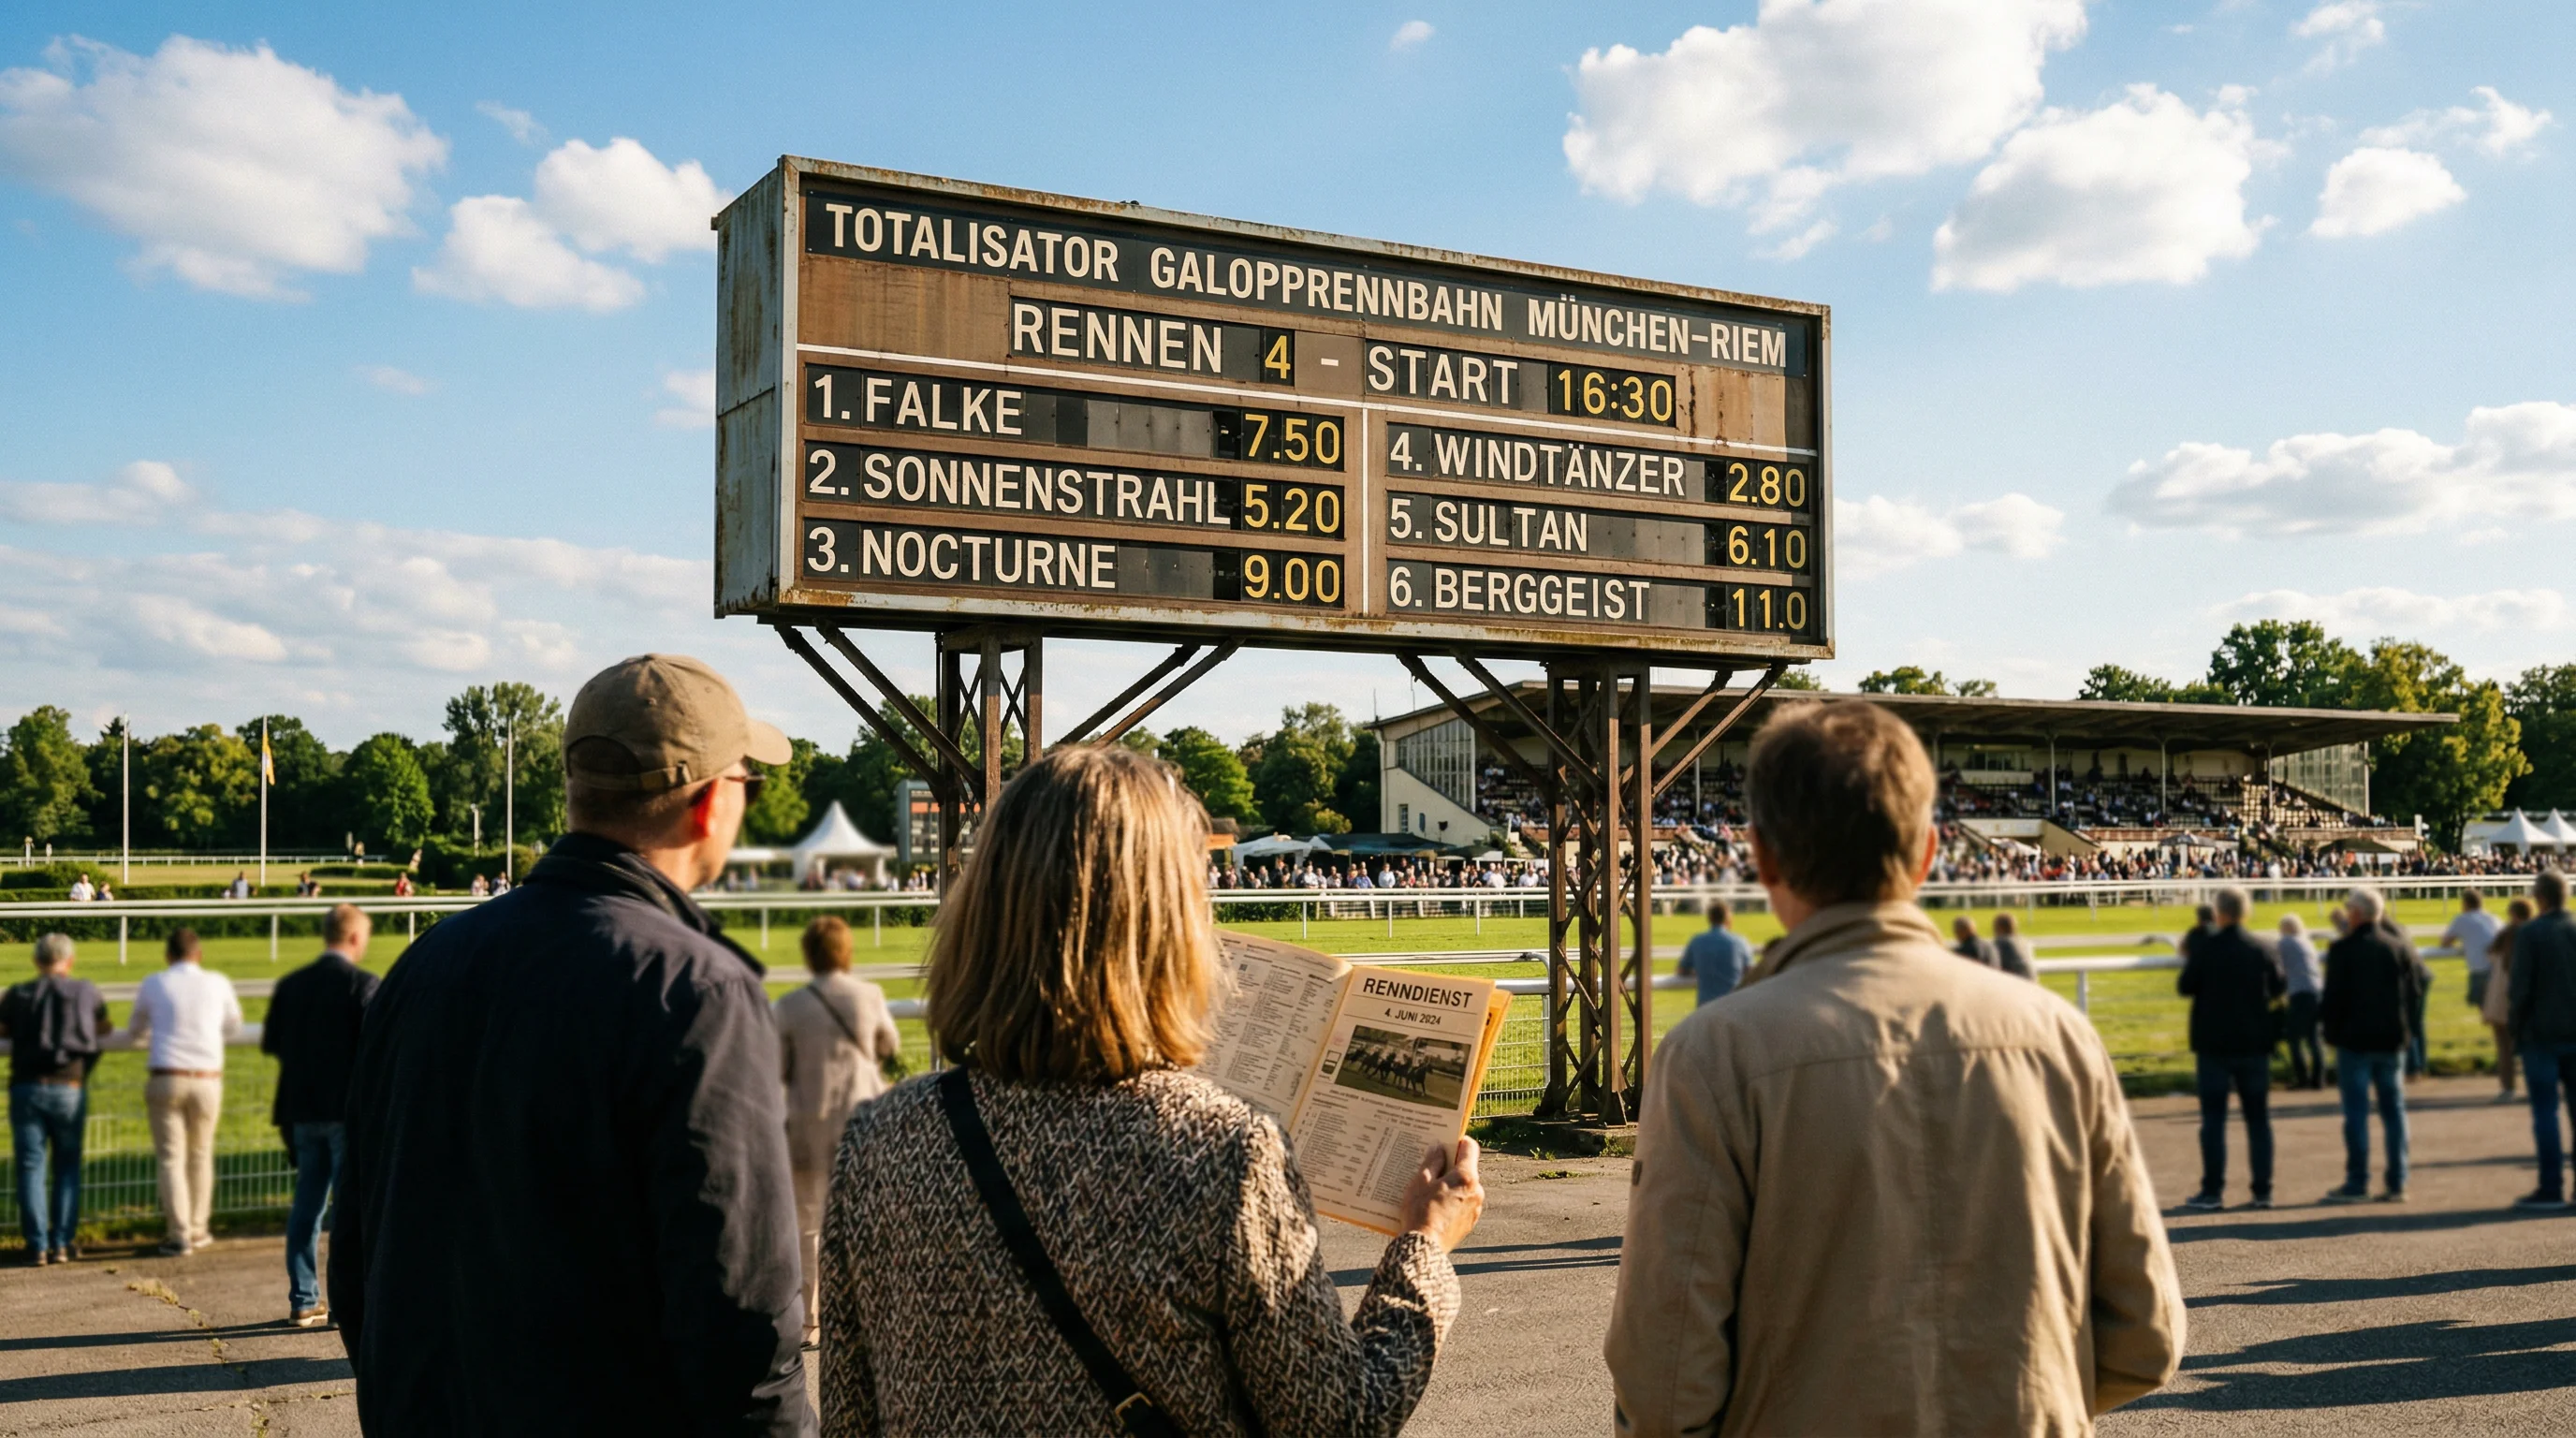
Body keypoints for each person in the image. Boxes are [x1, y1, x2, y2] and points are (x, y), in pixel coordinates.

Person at [820, 745, 1485, 1435]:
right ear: (1167, 926)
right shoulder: (1224, 1152)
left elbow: (848, 1418)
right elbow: (1337, 1419)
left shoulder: (877, 1139)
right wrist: (1425, 1248)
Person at [1604, 701, 2182, 1434]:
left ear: (1764, 856)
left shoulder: (1713, 1054)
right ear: (1928, 854)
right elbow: (2145, 1337)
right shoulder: (2060, 1036)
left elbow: (1666, 1384)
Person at [333, 653, 809, 1433]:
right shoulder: (698, 991)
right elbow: (742, 1320)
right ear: (710, 805)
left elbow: (357, 1256)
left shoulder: (424, 963)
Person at [774, 916, 901, 1344]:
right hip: (862, 1125)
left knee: (809, 1228)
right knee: (865, 1219)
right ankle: (870, 1309)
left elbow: (777, 1067)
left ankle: (812, 1321)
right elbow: (889, 1046)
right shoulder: (869, 995)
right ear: (847, 952)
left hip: (806, 1128)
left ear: (809, 954)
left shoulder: (789, 1006)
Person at [261, 903, 379, 1327]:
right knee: (351, 1210)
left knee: (306, 1205)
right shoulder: (363, 985)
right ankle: (346, 1303)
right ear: (353, 938)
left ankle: (304, 1298)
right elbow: (376, 1050)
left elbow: (273, 1042)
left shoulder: (292, 985)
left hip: (299, 1108)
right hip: (346, 1110)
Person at [127, 929, 243, 1255]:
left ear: (168, 956)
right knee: (201, 1154)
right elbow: (233, 1024)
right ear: (199, 954)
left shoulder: (154, 983)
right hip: (207, 1078)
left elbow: (136, 1028)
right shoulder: (217, 982)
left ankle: (178, 1234)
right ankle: (198, 1228)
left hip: (166, 1076)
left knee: (170, 1158)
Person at [2176, 887, 2287, 1211]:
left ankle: (2212, 1191)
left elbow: (2186, 986)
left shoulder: (2207, 948)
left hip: (2214, 1045)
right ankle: (2262, 1191)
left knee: (2213, 1120)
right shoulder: (2262, 948)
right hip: (2254, 1044)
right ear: (2246, 913)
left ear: (2220, 913)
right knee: (2258, 1120)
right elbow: (2279, 986)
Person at [2, 934, 109, 1265]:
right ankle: (61, 1242)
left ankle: (37, 1245)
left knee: (31, 1168)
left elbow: (2, 1029)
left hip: (27, 1088)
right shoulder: (85, 991)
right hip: (69, 1088)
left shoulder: (18, 994)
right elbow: (103, 1028)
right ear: (70, 960)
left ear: (36, 961)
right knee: (67, 1168)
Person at [2319, 887, 2419, 1203]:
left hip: (2354, 1042)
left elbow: (2332, 999)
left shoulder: (2342, 949)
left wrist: (2331, 1035)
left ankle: (2357, 1181)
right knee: (2394, 1112)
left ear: (2357, 913)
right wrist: (2408, 1031)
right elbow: (2414, 993)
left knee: (2356, 1114)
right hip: (2390, 1040)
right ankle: (2397, 1180)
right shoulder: (2398, 947)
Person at [2508, 869, 2576, 1210]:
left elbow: (2520, 989)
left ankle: (2551, 1187)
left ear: (2542, 897)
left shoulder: (2532, 933)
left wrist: (2514, 1029)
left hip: (2541, 1035)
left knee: (2546, 1114)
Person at [2481, 898, 2532, 1103]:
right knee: (2531, 1045)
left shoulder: (2508, 934)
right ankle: (2532, 1087)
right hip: (2526, 996)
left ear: (2513, 914)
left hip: (2502, 994)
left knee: (2504, 1045)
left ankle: (2508, 1088)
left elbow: (2491, 954)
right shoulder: (2534, 933)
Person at [1676, 900, 1753, 1006]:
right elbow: (1750, 972)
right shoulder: (1740, 942)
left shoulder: (1697, 941)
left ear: (1710, 919)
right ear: (1728, 919)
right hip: (1734, 1005)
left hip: (1705, 1006)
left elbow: (1682, 970)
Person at [2279, 914, 2326, 1090]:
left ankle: (2302, 1078)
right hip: (2316, 991)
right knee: (2314, 1037)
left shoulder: (2286, 943)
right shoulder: (2307, 943)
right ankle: (2318, 1079)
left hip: (2299, 993)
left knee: (2294, 1038)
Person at [1991, 910, 2038, 980]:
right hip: (2032, 982)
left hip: (2015, 983)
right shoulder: (2024, 941)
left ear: (1999, 928)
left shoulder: (2000, 942)